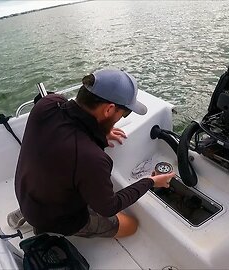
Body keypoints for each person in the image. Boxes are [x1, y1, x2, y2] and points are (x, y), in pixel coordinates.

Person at [10, 69, 175, 238]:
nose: (122, 118)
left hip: (27, 195)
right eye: (125, 113)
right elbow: (108, 207)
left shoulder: (47, 104)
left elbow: (69, 116)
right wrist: (150, 182)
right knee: (131, 226)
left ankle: (28, 213)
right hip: (58, 218)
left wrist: (100, 130)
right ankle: (45, 225)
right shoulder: (91, 158)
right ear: (109, 110)